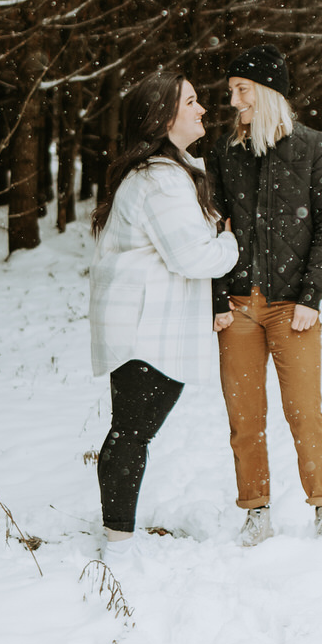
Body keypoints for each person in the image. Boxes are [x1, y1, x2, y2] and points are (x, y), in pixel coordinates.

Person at [90, 69, 238, 558]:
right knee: (132, 432)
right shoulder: (160, 179)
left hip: (146, 324)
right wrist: (233, 241)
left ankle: (118, 533)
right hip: (143, 326)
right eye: (191, 102)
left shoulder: (167, 172)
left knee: (132, 429)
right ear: (164, 116)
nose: (202, 109)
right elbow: (193, 257)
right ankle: (118, 541)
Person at [207, 44, 322, 544]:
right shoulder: (224, 153)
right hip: (240, 307)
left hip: (294, 306)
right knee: (245, 418)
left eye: (241, 90)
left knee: (305, 412)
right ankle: (256, 511)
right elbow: (214, 231)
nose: (234, 101)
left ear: (266, 92)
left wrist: (312, 296)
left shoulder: (312, 147)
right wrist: (218, 299)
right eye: (230, 92)